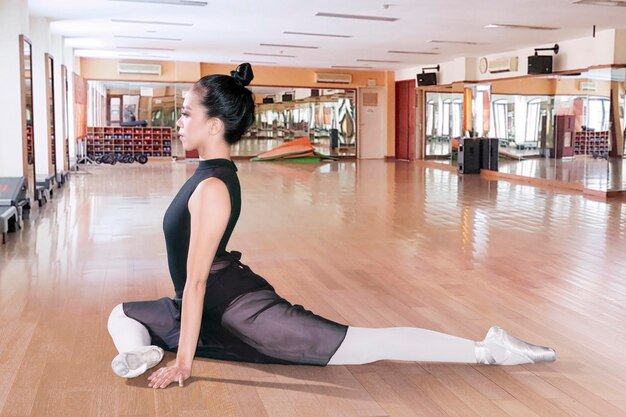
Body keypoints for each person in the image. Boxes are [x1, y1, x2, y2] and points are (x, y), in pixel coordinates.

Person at [107, 63, 556, 389]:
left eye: (186, 113)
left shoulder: (214, 188)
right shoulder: (206, 175)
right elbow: (192, 282)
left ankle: (485, 349)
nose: (179, 121)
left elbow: (200, 278)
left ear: (215, 124)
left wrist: (184, 362)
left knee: (358, 346)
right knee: (122, 314)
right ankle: (136, 352)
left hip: (236, 307)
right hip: (195, 303)